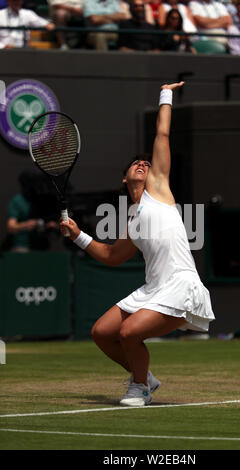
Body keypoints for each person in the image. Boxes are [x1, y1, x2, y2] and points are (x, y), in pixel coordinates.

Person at [60, 82, 215, 407]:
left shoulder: (158, 188)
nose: (143, 165)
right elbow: (113, 256)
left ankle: (140, 387)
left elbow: (162, 135)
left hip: (180, 285)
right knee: (102, 332)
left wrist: (165, 94)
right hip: (153, 288)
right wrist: (78, 236)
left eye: (147, 164)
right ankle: (145, 375)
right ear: (124, 178)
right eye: (136, 163)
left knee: (129, 332)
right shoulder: (131, 220)